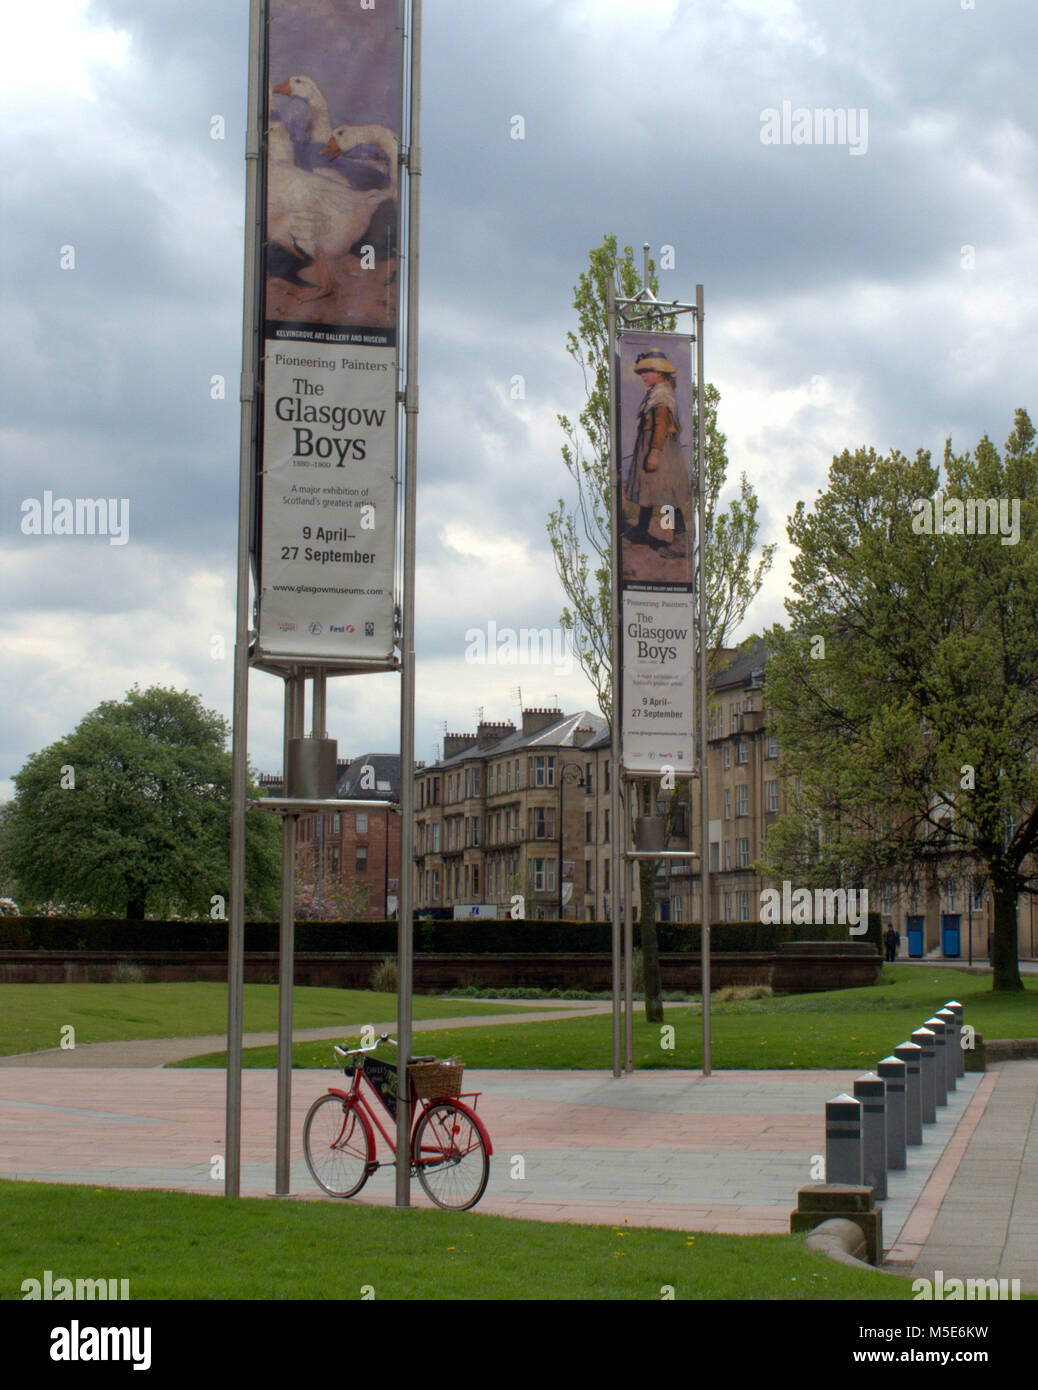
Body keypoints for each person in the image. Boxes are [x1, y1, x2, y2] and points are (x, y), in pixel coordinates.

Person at [623, 350, 692, 558]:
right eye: (642, 371)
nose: (643, 375)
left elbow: (661, 425)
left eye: (647, 371)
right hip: (651, 444)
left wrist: (653, 452)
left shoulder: (661, 395)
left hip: (660, 449)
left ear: (660, 372)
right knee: (648, 489)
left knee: (666, 494)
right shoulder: (657, 391)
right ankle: (642, 530)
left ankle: (679, 538)